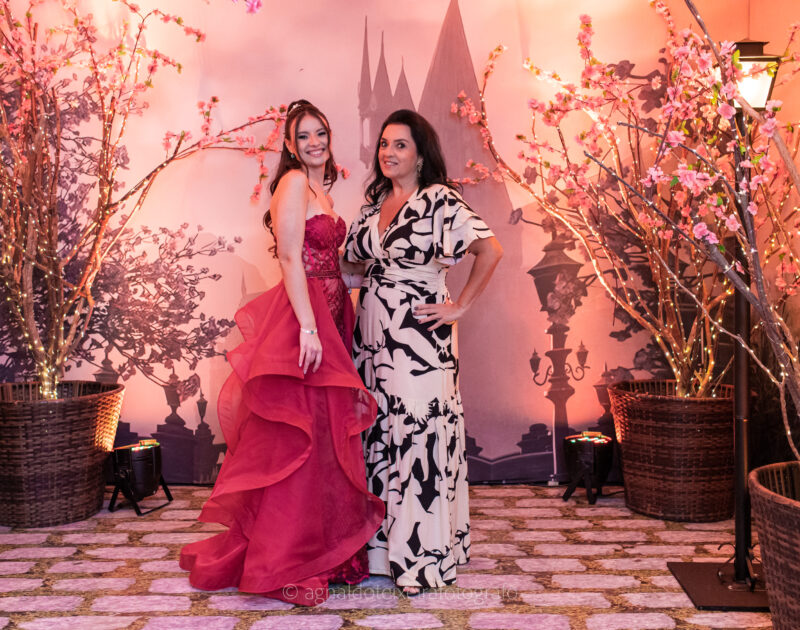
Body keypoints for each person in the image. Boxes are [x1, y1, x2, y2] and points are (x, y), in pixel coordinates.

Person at [180, 99, 383, 606]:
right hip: (305, 318)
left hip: (332, 315)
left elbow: (332, 263)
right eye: (304, 136)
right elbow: (292, 258)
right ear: (290, 145)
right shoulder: (292, 183)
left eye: (321, 133)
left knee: (324, 432)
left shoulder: (321, 190)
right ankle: (289, 554)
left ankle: (324, 547)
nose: (314, 143)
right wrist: (309, 329)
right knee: (303, 436)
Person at [343, 109, 503, 594]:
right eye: (384, 144)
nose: (388, 153)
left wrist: (459, 306)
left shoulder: (440, 200)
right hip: (372, 337)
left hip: (419, 339)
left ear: (420, 155)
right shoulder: (373, 205)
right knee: (378, 436)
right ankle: (379, 555)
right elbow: (353, 267)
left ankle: (422, 558)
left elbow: (490, 250)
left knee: (417, 437)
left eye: (400, 145)